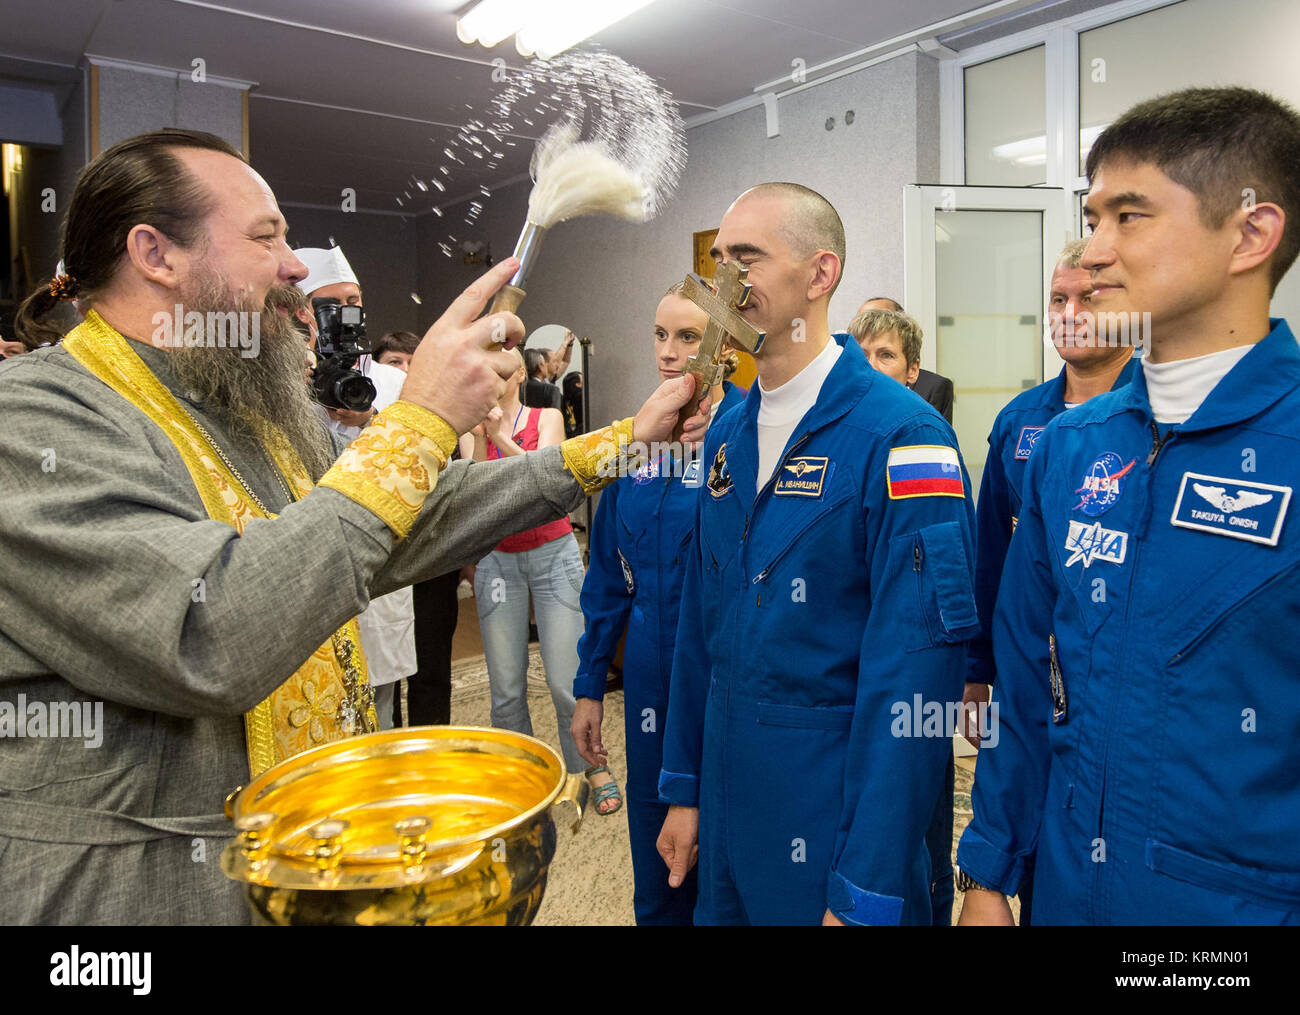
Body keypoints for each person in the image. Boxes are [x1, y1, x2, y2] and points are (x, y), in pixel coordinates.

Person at [0, 128, 708, 924]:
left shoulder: (246, 408)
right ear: (155, 253)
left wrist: (623, 440)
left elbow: (394, 523)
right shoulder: (33, 418)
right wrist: (422, 418)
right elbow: (211, 630)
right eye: (267, 236)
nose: (297, 266)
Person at [957, 86, 1300, 925]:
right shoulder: (1071, 446)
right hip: (1065, 888)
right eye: (1093, 213)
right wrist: (990, 870)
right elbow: (1029, 687)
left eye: (1129, 216)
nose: (1094, 252)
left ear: (1250, 233)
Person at [656, 183, 979, 926]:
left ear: (820, 273)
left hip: (832, 819)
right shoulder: (729, 433)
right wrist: (684, 786)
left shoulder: (905, 437)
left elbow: (915, 685)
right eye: (717, 263)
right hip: (730, 807)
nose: (725, 283)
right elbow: (701, 630)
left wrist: (864, 885)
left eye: (748, 258)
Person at [960, 237, 1138, 925]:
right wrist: (978, 668)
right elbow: (991, 562)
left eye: (1086, 299)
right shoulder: (1019, 424)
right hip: (1026, 662)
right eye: (1056, 300)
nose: (1069, 313)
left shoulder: (1157, 422)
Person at [571, 281, 746, 924]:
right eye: (661, 334)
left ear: (724, 347)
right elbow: (607, 583)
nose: (669, 352)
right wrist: (590, 685)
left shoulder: (752, 435)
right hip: (647, 670)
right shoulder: (636, 441)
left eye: (689, 337)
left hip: (725, 669)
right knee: (656, 840)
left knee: (722, 838)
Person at [460, 352, 615, 809]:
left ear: (521, 376)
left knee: (566, 682)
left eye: (505, 370)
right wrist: (480, 436)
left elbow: (547, 482)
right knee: (506, 687)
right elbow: (477, 497)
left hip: (553, 556)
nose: (496, 377)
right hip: (499, 563)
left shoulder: (546, 416)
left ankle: (589, 768)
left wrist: (502, 438)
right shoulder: (473, 429)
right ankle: (520, 783)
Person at [848, 302, 960, 925]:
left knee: (919, 832)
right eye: (859, 355)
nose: (869, 368)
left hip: (911, 694)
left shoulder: (919, 441)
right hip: (846, 694)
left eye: (885, 355)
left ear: (914, 371)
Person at [295, 246, 416, 730]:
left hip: (381, 563)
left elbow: (419, 452)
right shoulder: (285, 379)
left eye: (354, 299)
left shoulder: (390, 380)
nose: (346, 314)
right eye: (331, 304)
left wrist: (371, 420)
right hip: (313, 565)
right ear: (301, 313)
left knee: (380, 708)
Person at [858, 296, 955, 422]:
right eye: (861, 354)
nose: (871, 366)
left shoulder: (925, 422)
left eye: (886, 355)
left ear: (913, 368)